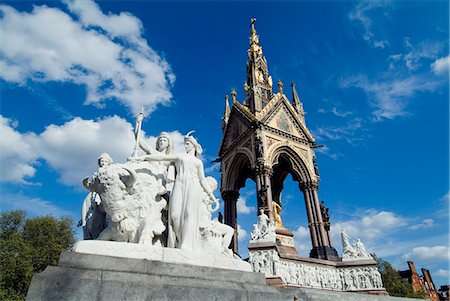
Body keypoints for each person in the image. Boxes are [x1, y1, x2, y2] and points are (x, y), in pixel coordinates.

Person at [139, 132, 218, 250]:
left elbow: (202, 180)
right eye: (185, 144)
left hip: (193, 185)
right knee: (175, 214)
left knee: (189, 213)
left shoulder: (198, 162)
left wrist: (212, 196)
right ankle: (179, 238)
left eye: (187, 144)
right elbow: (162, 157)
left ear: (193, 146)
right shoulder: (180, 156)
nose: (185, 146)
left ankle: (185, 242)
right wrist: (145, 157)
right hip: (179, 184)